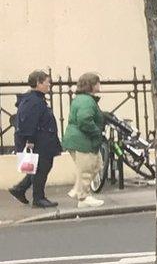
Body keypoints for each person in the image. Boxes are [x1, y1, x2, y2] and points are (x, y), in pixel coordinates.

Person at [10, 71, 59, 209]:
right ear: (38, 82)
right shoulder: (33, 101)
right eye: (46, 82)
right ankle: (38, 198)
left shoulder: (35, 99)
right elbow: (29, 122)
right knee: (41, 168)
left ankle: (19, 189)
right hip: (39, 141)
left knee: (37, 168)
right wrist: (30, 140)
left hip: (42, 139)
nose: (49, 85)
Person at [61, 72, 106, 209]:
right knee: (87, 169)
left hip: (78, 139)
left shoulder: (83, 99)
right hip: (83, 141)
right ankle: (84, 197)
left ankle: (77, 190)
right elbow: (84, 120)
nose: (99, 85)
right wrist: (97, 132)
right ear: (91, 85)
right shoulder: (86, 101)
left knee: (97, 165)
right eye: (97, 82)